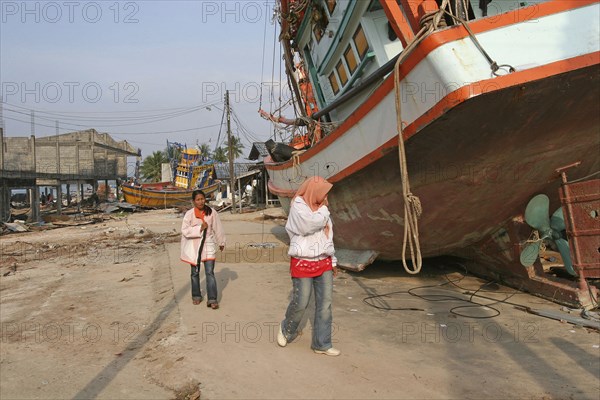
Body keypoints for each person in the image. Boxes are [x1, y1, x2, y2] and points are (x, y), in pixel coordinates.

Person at [277, 176, 340, 356]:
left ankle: (322, 343)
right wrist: (324, 212)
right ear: (315, 192)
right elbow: (307, 226)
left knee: (325, 304)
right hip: (302, 261)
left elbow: (329, 237)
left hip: (323, 261)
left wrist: (333, 260)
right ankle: (286, 329)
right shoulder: (298, 205)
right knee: (301, 302)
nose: (327, 198)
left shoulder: (322, 210)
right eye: (324, 193)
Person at [180, 190, 226, 309]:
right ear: (193, 201)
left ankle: (212, 299)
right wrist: (199, 228)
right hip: (194, 247)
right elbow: (185, 230)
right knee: (194, 273)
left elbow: (218, 227)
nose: (201, 201)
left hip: (208, 245)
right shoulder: (189, 214)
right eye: (198, 199)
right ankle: (196, 296)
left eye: (202, 199)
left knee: (209, 272)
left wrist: (221, 242)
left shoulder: (212, 213)